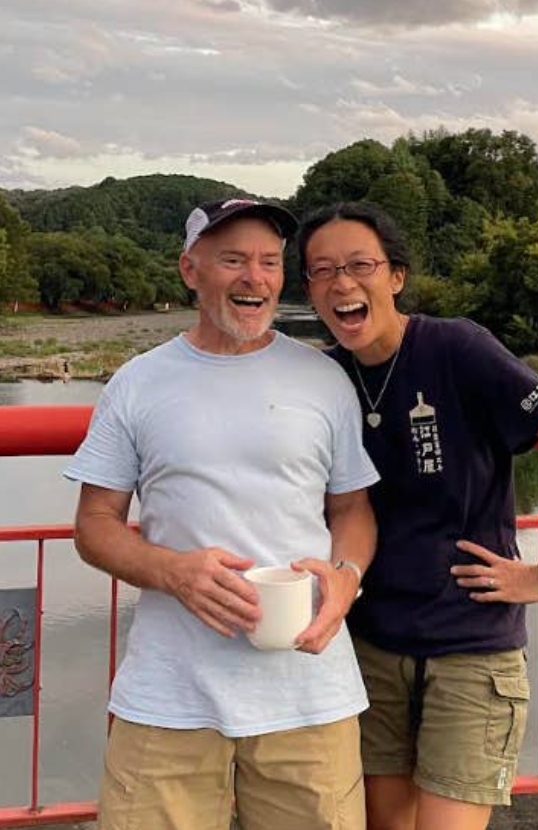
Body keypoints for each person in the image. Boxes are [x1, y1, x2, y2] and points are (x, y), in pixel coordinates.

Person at [298, 202, 538, 830]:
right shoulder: (324, 375)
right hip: (369, 645)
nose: (342, 283)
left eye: (361, 265)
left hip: (470, 648)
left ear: (395, 276)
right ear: (308, 289)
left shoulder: (456, 348)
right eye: (321, 270)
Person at [65, 198, 381, 830]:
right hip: (169, 693)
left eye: (269, 262)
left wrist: (345, 577)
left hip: (309, 690)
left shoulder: (322, 378)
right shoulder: (138, 382)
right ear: (190, 269)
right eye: (233, 259)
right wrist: (173, 571)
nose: (254, 278)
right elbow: (94, 524)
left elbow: (352, 508)